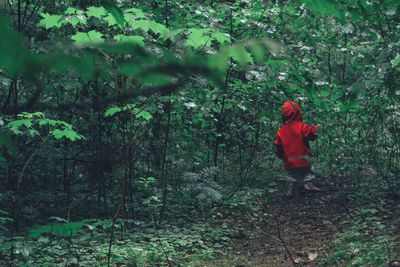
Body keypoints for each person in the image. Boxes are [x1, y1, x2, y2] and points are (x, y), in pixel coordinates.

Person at [274, 101, 321, 197]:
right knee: (308, 171)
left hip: (290, 159)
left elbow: (278, 145)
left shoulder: (281, 131)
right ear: (298, 113)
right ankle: (308, 184)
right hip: (303, 158)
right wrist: (317, 128)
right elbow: (311, 135)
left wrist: (279, 154)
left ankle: (290, 190)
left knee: (291, 175)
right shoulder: (302, 126)